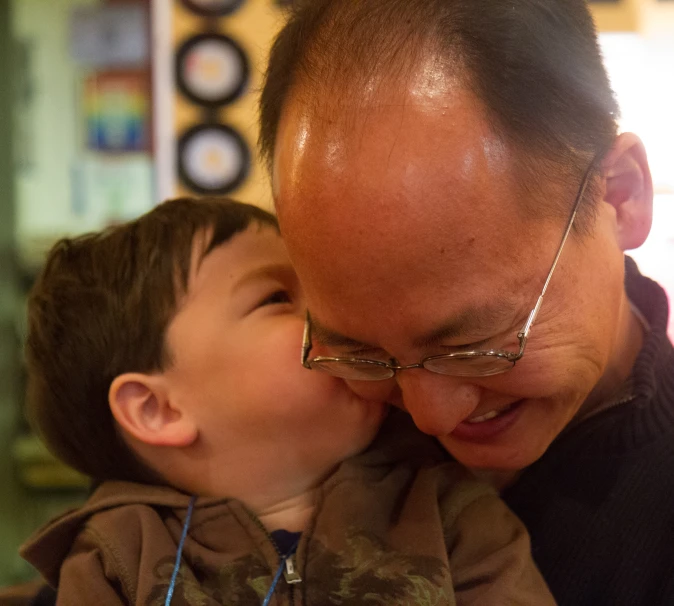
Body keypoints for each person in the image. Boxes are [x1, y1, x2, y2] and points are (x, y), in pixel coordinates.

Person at [259, 1, 674, 605]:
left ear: (622, 195)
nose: (431, 417)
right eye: (360, 353)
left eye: (472, 347)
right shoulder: (306, 427)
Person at [19, 198, 555, 605]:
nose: (339, 313)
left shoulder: (449, 509)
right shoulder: (113, 559)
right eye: (277, 298)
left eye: (323, 289)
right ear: (158, 410)